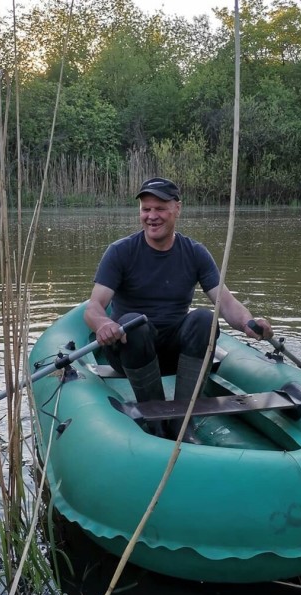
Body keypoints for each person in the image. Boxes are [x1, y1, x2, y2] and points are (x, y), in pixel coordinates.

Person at [84, 177, 274, 443]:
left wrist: (249, 323)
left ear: (177, 208)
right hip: (131, 351)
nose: (151, 216)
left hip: (174, 351)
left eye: (160, 208)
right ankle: (157, 423)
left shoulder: (195, 252)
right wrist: (103, 324)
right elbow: (93, 307)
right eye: (146, 209)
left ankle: (183, 422)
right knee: (134, 323)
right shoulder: (120, 251)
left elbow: (226, 302)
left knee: (203, 319)